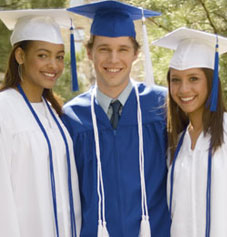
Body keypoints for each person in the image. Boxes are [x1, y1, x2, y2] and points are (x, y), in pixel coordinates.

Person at [62, 1, 170, 236]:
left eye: (122, 49)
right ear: (90, 52)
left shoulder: (162, 106)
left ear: (136, 54)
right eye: (104, 49)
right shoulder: (71, 117)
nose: (113, 59)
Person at [0, 9, 81, 237]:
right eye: (43, 55)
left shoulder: (53, 111)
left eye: (59, 56)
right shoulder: (4, 110)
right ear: (20, 56)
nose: (53, 65)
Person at [153, 27, 227, 237]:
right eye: (176, 80)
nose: (183, 89)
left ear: (211, 81)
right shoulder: (178, 143)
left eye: (194, 79)